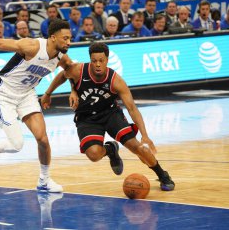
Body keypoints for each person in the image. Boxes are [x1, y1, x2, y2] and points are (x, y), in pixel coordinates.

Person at [41, 42, 175, 191]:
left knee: (139, 149)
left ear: (107, 60)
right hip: (87, 118)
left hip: (110, 114)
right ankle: (110, 150)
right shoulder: (79, 70)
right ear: (90, 60)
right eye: (94, 61)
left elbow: (132, 108)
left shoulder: (115, 80)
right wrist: (48, 94)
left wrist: (145, 135)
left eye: (101, 61)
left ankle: (162, 174)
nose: (97, 64)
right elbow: (64, 75)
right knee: (93, 155)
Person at [0, 19, 75, 192]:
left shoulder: (61, 57)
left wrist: (68, 91)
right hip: (4, 93)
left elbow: (71, 70)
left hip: (27, 95)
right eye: (65, 38)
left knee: (43, 139)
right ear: (53, 37)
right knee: (16, 145)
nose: (69, 42)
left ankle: (44, 180)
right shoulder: (32, 47)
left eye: (70, 38)